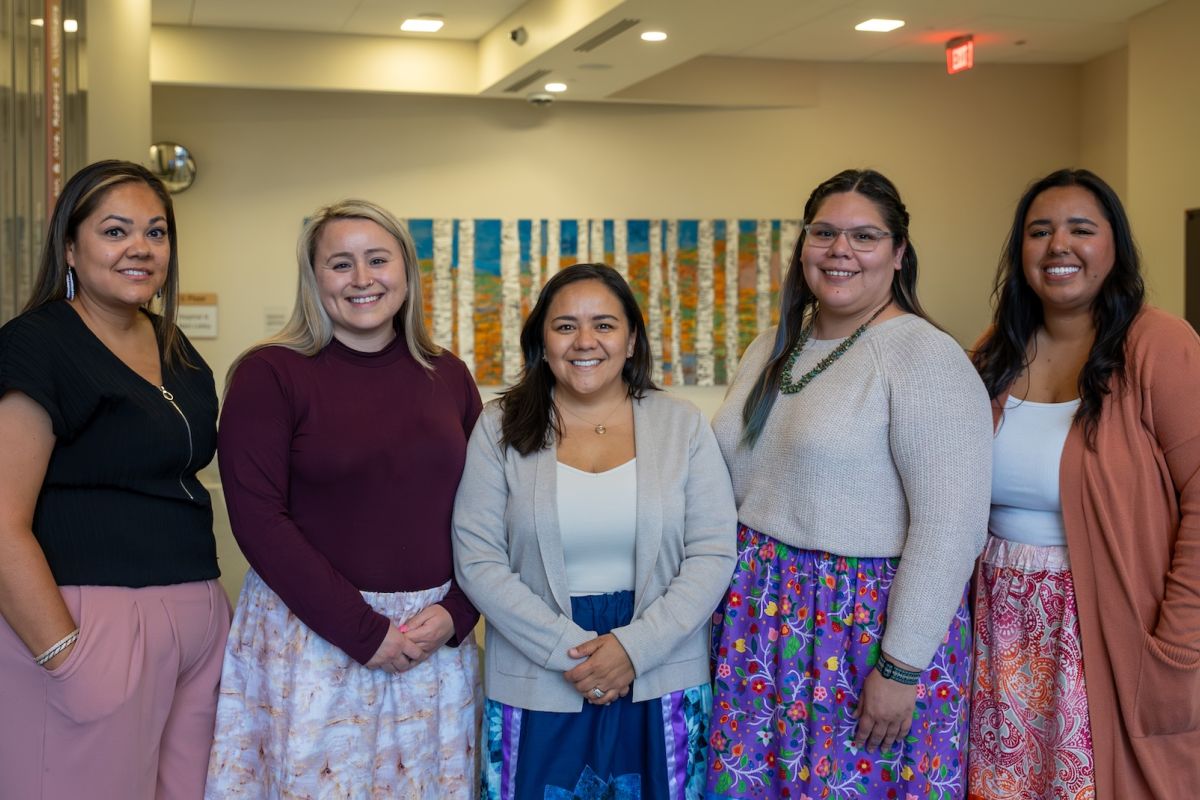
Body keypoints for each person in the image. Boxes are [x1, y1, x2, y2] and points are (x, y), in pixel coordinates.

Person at [706, 169, 992, 798]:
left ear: (898, 254)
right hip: (762, 617)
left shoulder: (923, 357)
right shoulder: (773, 345)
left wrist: (900, 665)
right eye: (824, 233)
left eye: (865, 236)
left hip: (860, 630)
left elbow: (951, 528)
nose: (840, 250)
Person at [204, 200, 482, 798]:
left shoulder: (449, 375)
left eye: (378, 260)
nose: (362, 279)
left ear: (406, 273)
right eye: (340, 264)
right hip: (313, 641)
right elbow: (258, 519)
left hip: (431, 644)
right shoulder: (269, 374)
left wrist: (460, 612)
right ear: (313, 279)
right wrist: (361, 630)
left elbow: (486, 512)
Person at [452, 263, 737, 798]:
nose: (585, 341)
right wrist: (571, 650)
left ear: (632, 339)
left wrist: (634, 648)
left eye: (604, 325)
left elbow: (714, 552)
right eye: (565, 326)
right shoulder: (499, 427)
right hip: (540, 669)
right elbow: (477, 559)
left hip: (661, 665)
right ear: (542, 340)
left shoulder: (683, 425)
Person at [0, 160, 229, 799]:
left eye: (156, 233)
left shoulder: (177, 349)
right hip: (91, 623)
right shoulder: (37, 345)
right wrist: (62, 654)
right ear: (70, 246)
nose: (140, 248)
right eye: (115, 231)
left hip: (199, 623)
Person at [968, 169, 1200, 800]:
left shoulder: (1159, 346)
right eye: (1039, 231)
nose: (1057, 245)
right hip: (998, 627)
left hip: (1105, 627)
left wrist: (1177, 646)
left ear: (1114, 246)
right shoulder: (993, 353)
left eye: (1080, 229)